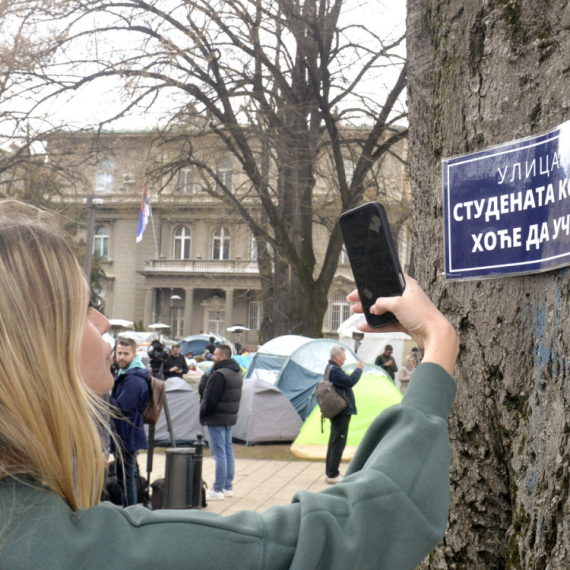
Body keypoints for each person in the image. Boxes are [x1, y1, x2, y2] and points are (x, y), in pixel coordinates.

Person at [0, 200, 459, 569]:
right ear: (28, 341)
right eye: (82, 309)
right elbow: (363, 528)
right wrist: (437, 342)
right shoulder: (86, 548)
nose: (103, 321)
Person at [199, 345, 243, 501]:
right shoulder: (236, 373)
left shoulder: (219, 375)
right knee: (227, 451)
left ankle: (217, 489)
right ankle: (227, 486)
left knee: (219, 454)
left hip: (217, 417)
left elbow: (210, 398)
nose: (212, 356)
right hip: (229, 417)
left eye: (215, 354)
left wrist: (204, 411)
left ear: (223, 357)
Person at [112, 338, 150, 506]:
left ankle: (132, 512)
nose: (121, 357)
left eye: (126, 354)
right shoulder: (124, 374)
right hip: (122, 433)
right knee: (122, 478)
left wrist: (102, 401)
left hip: (128, 434)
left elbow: (122, 406)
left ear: (134, 355)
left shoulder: (134, 378)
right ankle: (128, 510)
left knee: (127, 479)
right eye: (119, 353)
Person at [324, 346, 364, 484]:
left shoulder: (331, 368)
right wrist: (359, 369)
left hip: (337, 411)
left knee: (334, 441)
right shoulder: (334, 370)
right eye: (343, 355)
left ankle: (330, 472)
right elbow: (350, 381)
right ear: (337, 357)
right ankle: (333, 474)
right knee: (338, 442)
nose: (345, 358)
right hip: (341, 412)